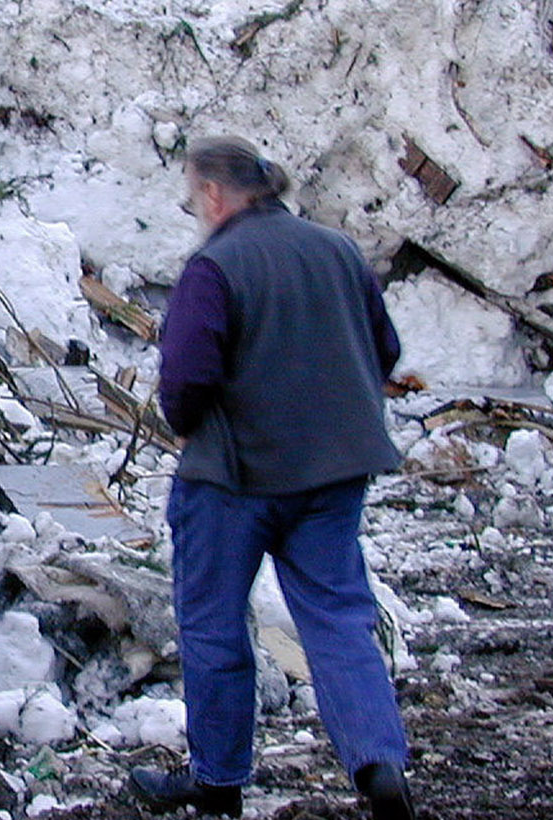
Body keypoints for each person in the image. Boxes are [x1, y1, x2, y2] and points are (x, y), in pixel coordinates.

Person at [129, 136, 415, 819]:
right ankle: (380, 768)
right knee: (341, 620)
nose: (195, 209)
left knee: (215, 627)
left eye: (193, 195)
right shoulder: (338, 250)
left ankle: (219, 785)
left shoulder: (215, 266)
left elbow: (187, 382)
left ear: (216, 194)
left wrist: (189, 421)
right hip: (334, 472)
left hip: (232, 480)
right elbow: (386, 350)